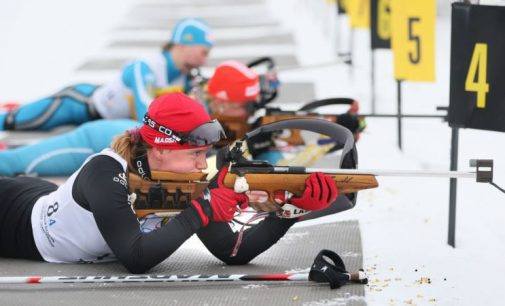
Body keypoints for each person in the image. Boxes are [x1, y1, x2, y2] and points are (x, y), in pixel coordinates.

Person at [0, 93, 338, 273]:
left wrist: (288, 213)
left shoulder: (183, 179)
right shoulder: (106, 172)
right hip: (10, 215)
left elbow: (232, 251)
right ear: (160, 149)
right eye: (195, 152)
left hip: (36, 198)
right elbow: (135, 258)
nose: (200, 162)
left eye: (205, 153)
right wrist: (202, 210)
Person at [0, 17, 213, 131]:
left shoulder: (186, 77)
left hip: (101, 120)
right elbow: (145, 114)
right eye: (204, 52)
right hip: (79, 104)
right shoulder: (146, 66)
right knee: (12, 121)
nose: (205, 59)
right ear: (184, 44)